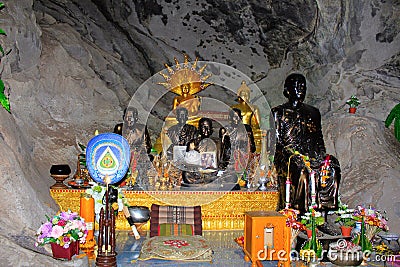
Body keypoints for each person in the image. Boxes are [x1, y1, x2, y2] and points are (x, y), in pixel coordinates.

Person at [271, 73, 341, 215]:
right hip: (287, 156)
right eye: (296, 86)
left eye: (303, 86)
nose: (300, 89)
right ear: (287, 90)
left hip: (311, 154)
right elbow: (276, 143)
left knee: (332, 165)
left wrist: (322, 156)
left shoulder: (313, 112)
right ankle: (301, 214)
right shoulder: (278, 112)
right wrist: (291, 154)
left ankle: (323, 212)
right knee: (301, 169)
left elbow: (319, 138)